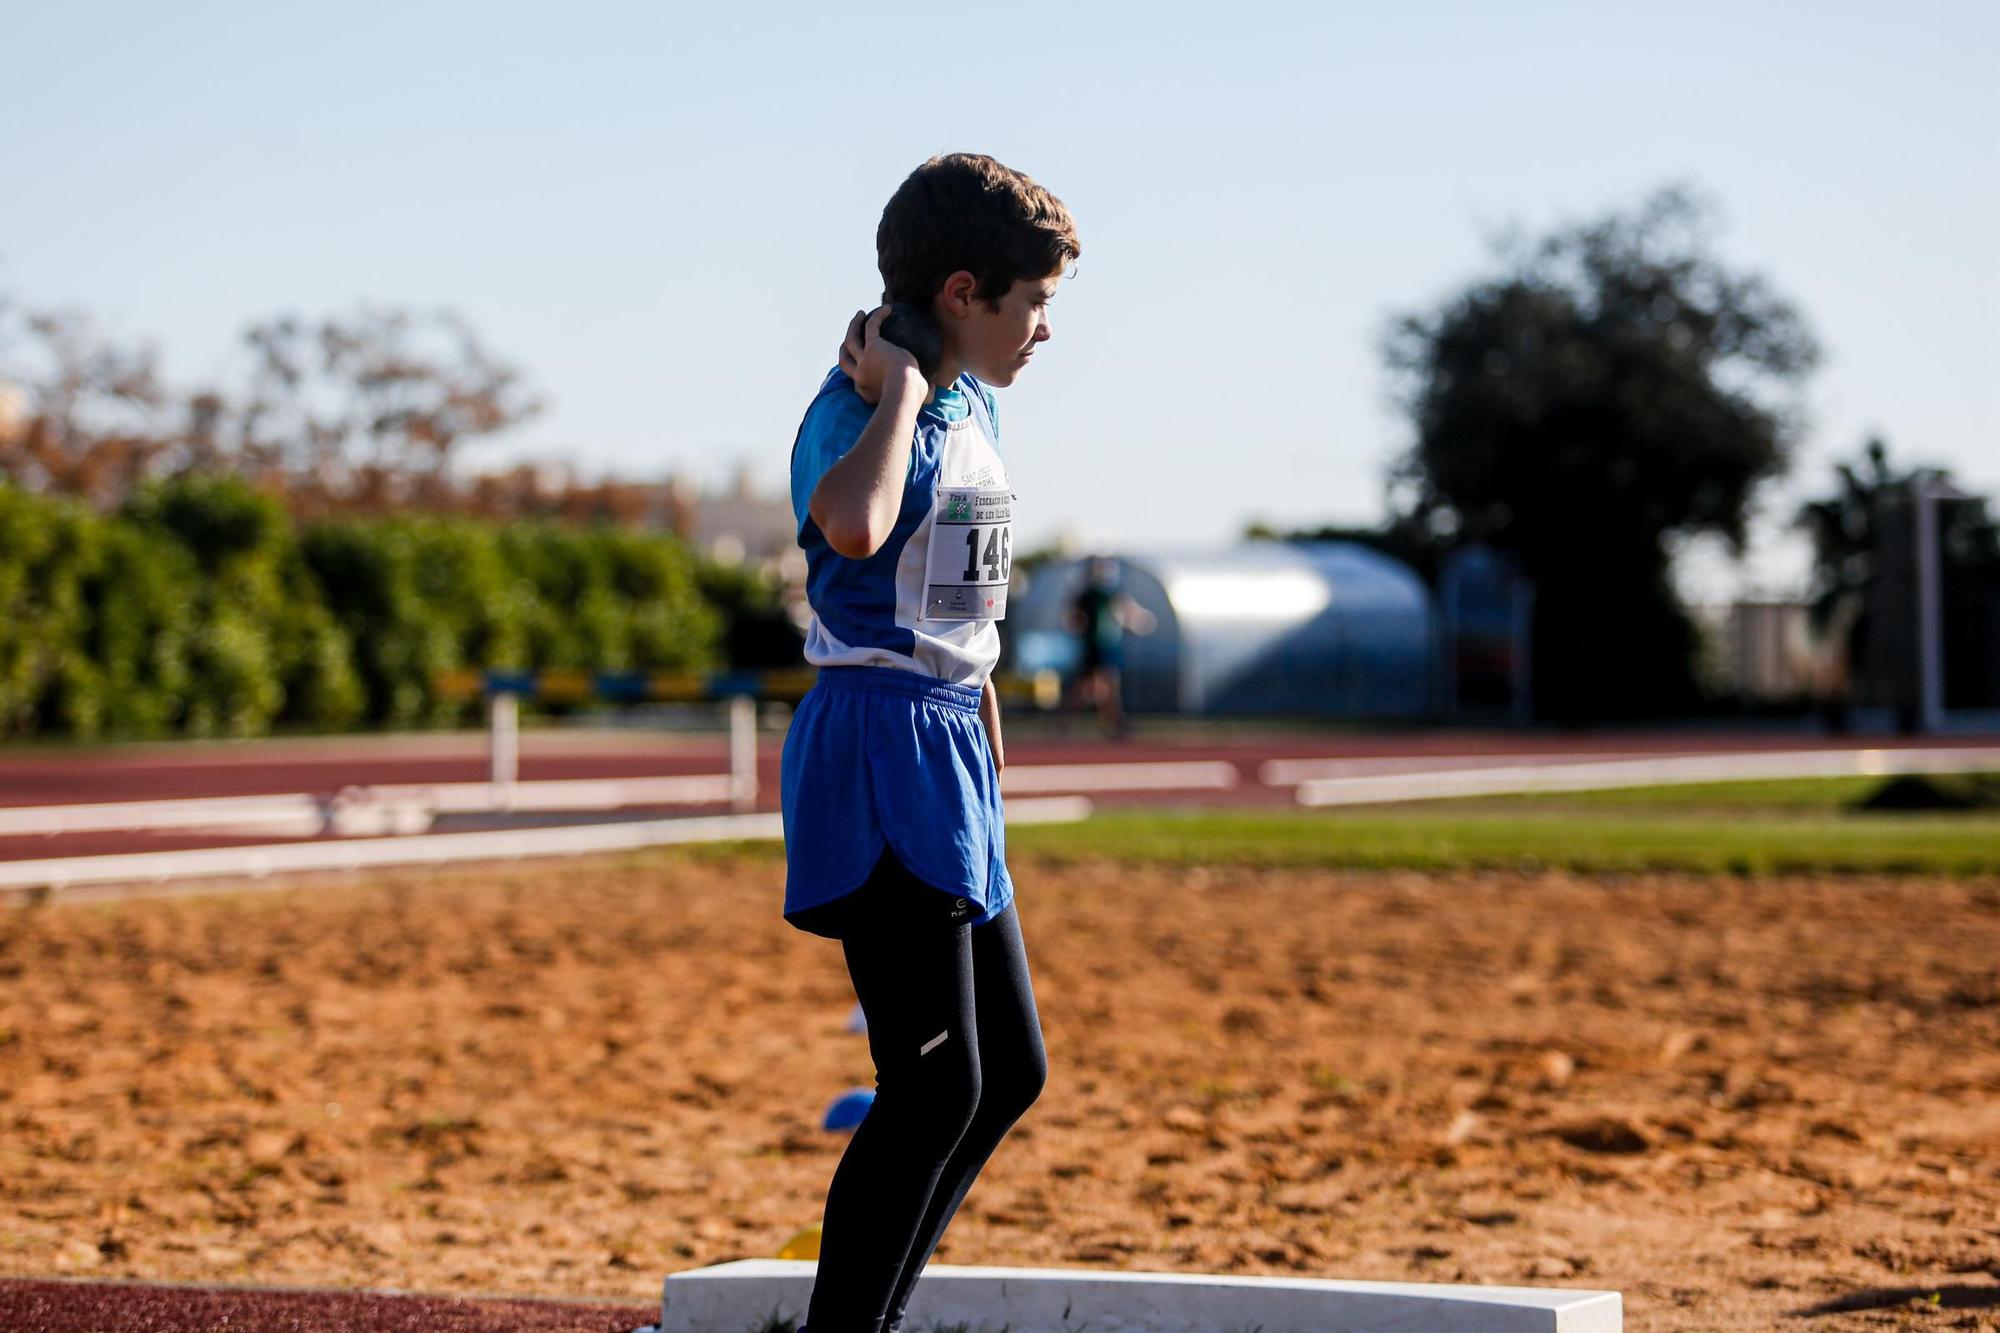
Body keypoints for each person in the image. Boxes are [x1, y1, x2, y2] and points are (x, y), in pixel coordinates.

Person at [780, 153, 1080, 1333]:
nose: (1044, 329)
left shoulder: (978, 407)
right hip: (876, 745)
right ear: (963, 291)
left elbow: (965, 598)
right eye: (1033, 303)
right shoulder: (855, 404)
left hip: (951, 746)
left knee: (1004, 1072)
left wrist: (990, 731)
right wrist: (897, 391)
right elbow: (854, 527)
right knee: (930, 1084)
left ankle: (871, 1317)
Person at [1064, 555, 1154, 736]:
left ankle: (1114, 723)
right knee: (1089, 688)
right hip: (1094, 646)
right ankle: (1067, 721)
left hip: (1109, 646)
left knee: (1109, 687)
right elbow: (1075, 619)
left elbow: (1128, 613)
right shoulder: (1088, 596)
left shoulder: (1113, 595)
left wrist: (1138, 622)